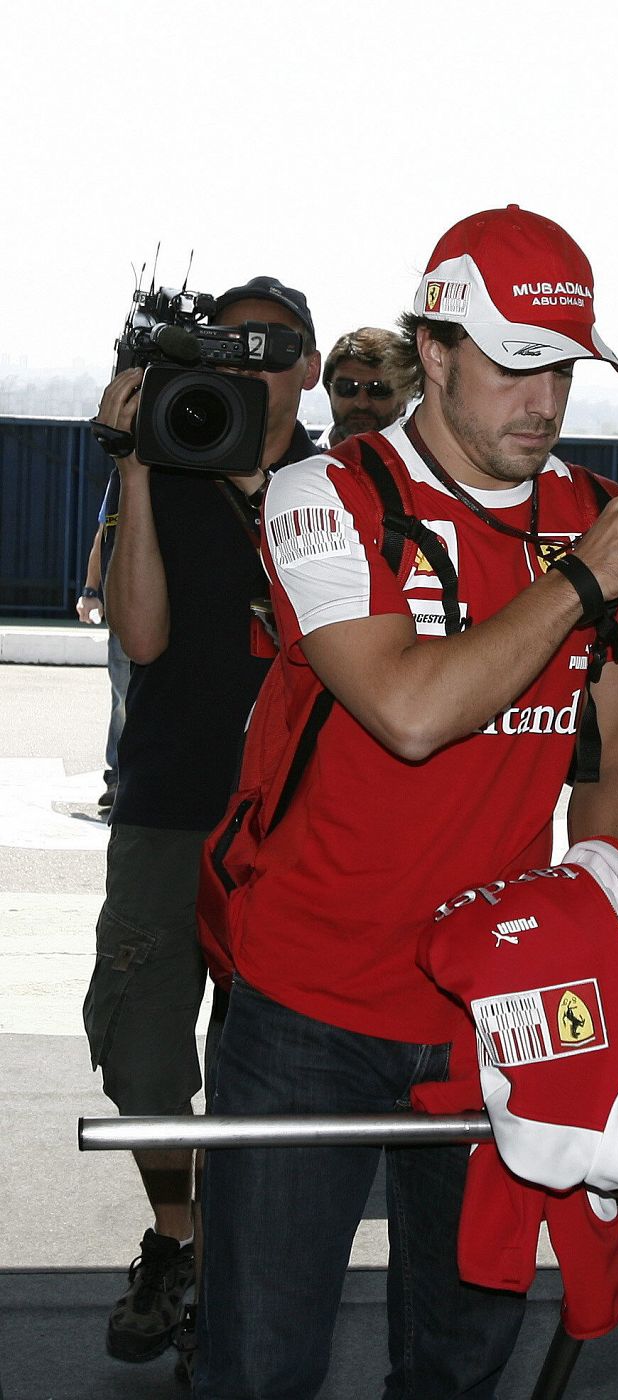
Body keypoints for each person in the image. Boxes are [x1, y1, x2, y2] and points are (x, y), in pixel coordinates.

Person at [195, 204, 618, 1399]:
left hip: (493, 1008)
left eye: (563, 368)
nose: (545, 401)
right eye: (517, 362)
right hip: (306, 999)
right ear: (435, 349)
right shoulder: (327, 495)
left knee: (463, 1355)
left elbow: (611, 760)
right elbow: (412, 711)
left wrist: (587, 921)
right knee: (259, 1364)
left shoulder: (591, 512)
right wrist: (581, 578)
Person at [82, 276, 322, 1373]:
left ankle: (229, 1258)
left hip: (298, 815)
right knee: (139, 1036)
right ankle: (176, 1236)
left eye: (272, 346)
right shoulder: (169, 464)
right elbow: (141, 637)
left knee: (271, 1051)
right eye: (227, 345)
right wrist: (136, 463)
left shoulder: (341, 484)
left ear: (309, 366)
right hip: (174, 799)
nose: (247, 363)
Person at [76, 503, 131, 810]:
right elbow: (103, 535)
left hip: (165, 609)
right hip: (122, 611)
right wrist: (89, 590)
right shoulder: (117, 482)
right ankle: (118, 777)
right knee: (122, 697)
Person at [314, 325, 410, 448]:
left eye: (378, 389)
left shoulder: (424, 464)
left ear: (403, 398)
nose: (362, 403)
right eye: (347, 388)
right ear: (329, 391)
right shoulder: (300, 464)